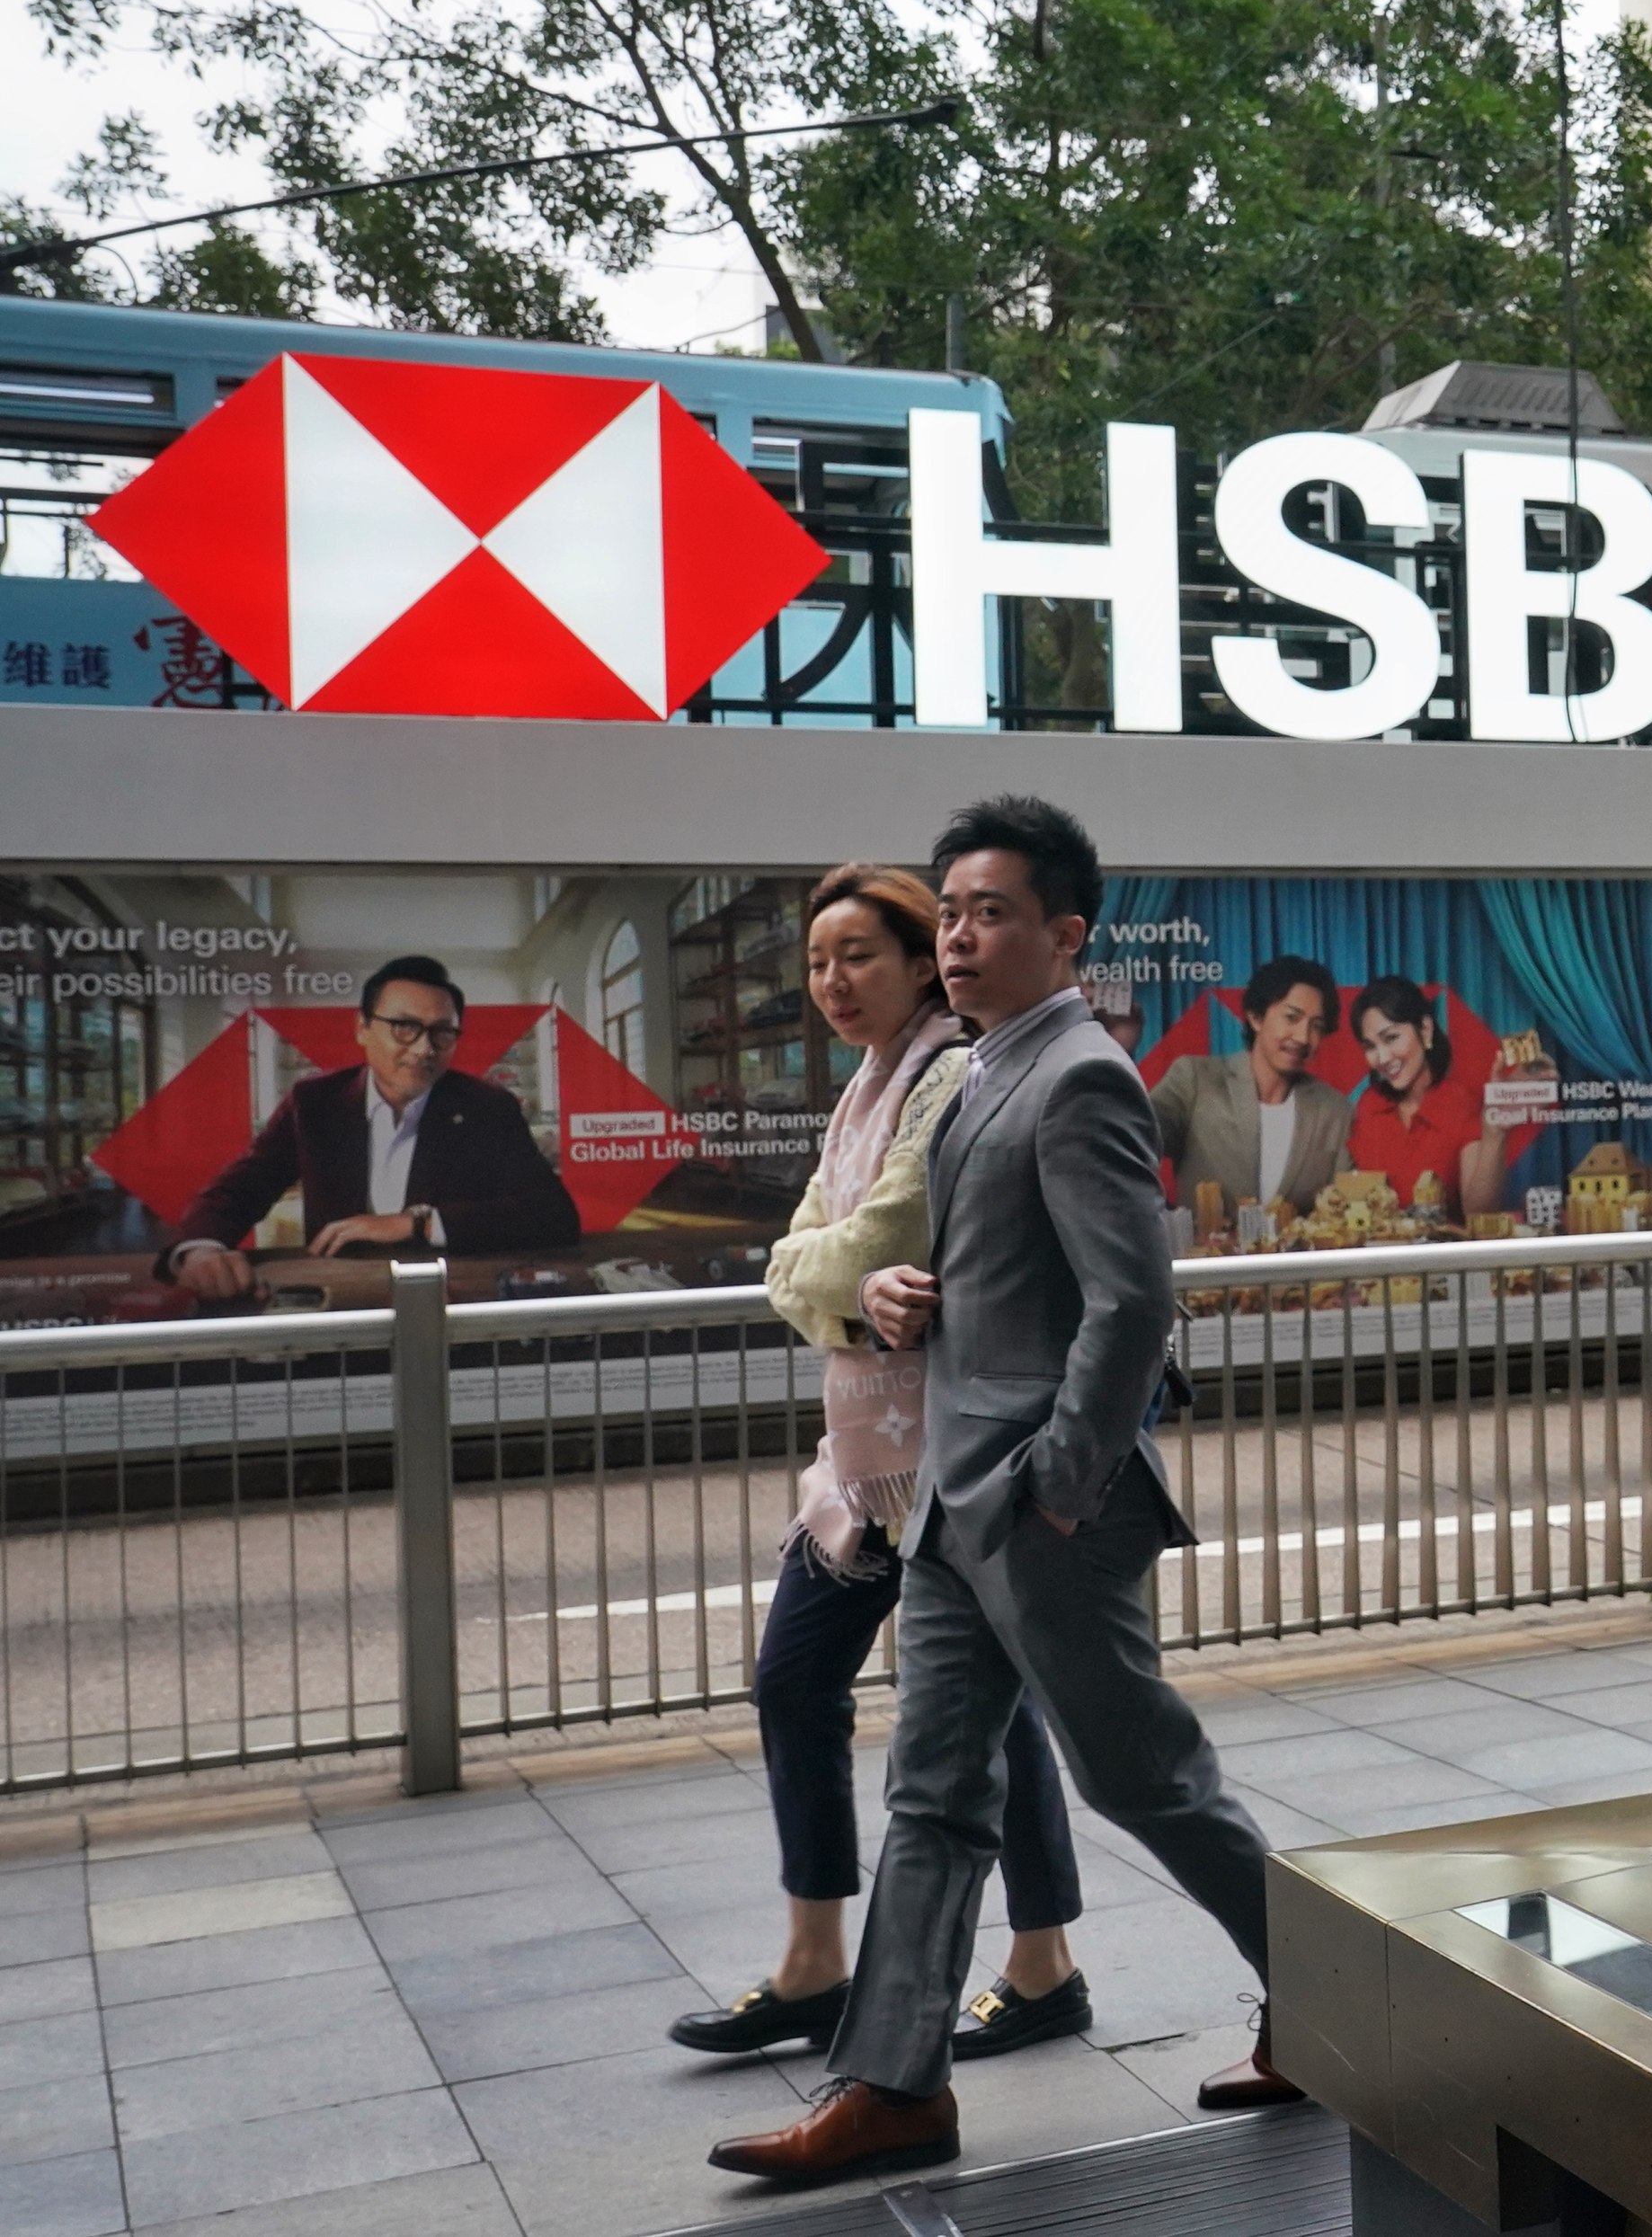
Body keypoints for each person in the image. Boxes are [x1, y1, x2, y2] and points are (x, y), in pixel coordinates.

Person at [713, 797, 1293, 2191]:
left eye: (987, 914)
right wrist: (906, 1299)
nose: (960, 936)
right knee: (931, 1795)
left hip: (1041, 1515)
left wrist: (1062, 1478)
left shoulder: (1077, 1074)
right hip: (947, 1516)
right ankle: (892, 2082)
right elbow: (1000, 1271)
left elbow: (1131, 1295)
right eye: (953, 912)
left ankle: (1337, 1993)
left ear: (1063, 935)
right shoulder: (973, 1073)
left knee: (1147, 1778)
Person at [670, 865, 1096, 2068]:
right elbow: (799, 1262)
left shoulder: (952, 1076)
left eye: (858, 954)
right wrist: (837, 1286)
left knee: (987, 1715)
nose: (830, 982)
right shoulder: (861, 1093)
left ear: (922, 965)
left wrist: (829, 1274)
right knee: (798, 1682)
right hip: (863, 1462)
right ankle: (815, 1960)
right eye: (815, 962)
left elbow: (880, 1234)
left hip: (953, 1450)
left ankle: (1041, 1962)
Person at [163, 954, 580, 1301]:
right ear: (362, 1029)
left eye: (442, 1033)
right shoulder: (315, 1102)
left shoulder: (487, 1107)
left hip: (449, 1298)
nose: (423, 1048)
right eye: (404, 1027)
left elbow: (552, 1215)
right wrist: (201, 1250)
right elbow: (240, 1189)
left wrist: (417, 1223)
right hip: (340, 1298)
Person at [1151, 955, 1346, 1221]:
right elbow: (1135, 1135)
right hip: (1208, 1259)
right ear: (1256, 1017)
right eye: (1291, 1018)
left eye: (1317, 1026)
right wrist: (1119, 1047)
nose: (1303, 1037)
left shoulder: (1335, 1110)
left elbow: (1345, 1210)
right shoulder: (1195, 1079)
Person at [1343, 973, 1541, 1220]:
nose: (1381, 1058)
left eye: (1391, 1038)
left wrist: (1495, 1133)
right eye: (1370, 1047)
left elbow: (1479, 1214)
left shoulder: (1460, 1104)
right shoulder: (1369, 1105)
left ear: (1425, 1030)